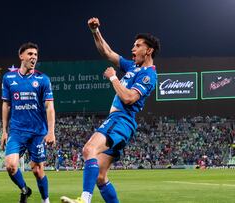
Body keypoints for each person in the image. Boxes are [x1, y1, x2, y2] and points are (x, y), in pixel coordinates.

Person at [60, 17, 160, 203]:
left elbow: (129, 97)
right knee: (100, 177)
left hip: (122, 119)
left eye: (137, 46)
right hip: (120, 123)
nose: (133, 49)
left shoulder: (149, 75)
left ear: (149, 50)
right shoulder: (132, 67)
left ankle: (85, 200)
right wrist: (95, 31)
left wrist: (114, 78)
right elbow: (107, 52)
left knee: (89, 149)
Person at [0, 42, 56, 203]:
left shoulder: (43, 79)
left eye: (36, 55)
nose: (34, 58)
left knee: (38, 170)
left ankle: (46, 201)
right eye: (30, 54)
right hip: (17, 131)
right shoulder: (8, 78)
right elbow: (6, 104)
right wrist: (4, 131)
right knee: (10, 165)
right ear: (21, 56)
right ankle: (25, 189)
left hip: (38, 132)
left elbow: (49, 106)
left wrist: (51, 131)